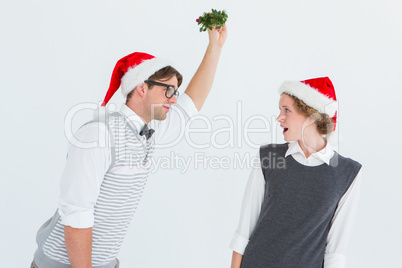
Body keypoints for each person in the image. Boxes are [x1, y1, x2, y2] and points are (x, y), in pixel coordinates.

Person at [31, 26, 227, 268]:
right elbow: (77, 215)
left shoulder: (149, 131)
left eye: (175, 92)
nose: (174, 99)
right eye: (168, 90)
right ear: (141, 88)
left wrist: (214, 47)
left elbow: (190, 105)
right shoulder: (99, 135)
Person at [230, 77, 362, 268]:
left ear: (311, 115)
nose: (279, 117)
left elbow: (335, 252)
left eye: (287, 110)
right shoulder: (268, 157)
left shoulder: (348, 173)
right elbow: (244, 231)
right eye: (280, 110)